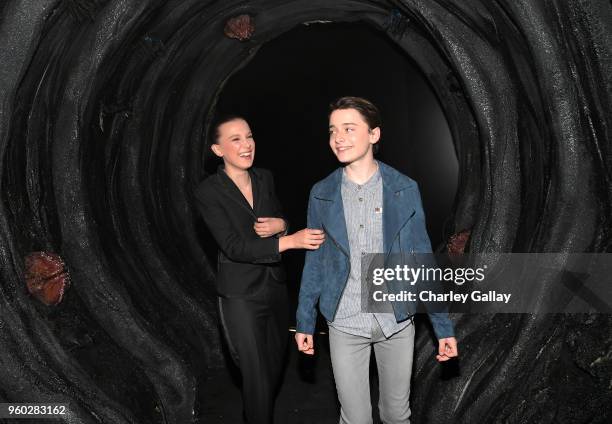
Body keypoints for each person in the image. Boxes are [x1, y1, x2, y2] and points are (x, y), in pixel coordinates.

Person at [295, 97, 459, 424]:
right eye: (333, 130)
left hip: (395, 322)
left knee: (396, 415)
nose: (338, 137)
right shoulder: (321, 193)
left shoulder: (404, 189)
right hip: (344, 321)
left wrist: (443, 328)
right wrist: (304, 320)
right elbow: (315, 261)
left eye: (349, 128)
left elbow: (422, 260)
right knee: (355, 419)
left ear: (374, 135)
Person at [194, 115, 325, 424]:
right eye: (236, 139)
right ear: (218, 150)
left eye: (249, 136)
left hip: (275, 286)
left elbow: (279, 217)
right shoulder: (208, 192)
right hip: (240, 294)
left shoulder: (265, 177)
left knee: (275, 365)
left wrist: (283, 225)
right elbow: (234, 247)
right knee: (256, 376)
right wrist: (291, 241)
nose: (246, 144)